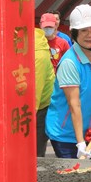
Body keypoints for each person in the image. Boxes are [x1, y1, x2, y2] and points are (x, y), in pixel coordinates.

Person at [45, 5, 91, 159]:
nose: (90, 35)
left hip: (90, 131)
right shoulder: (70, 62)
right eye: (84, 31)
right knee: (74, 177)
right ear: (74, 33)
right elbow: (75, 105)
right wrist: (80, 143)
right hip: (66, 135)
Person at [34, 27, 56, 157]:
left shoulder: (37, 53)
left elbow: (35, 92)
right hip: (25, 107)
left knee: (34, 153)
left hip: (40, 107)